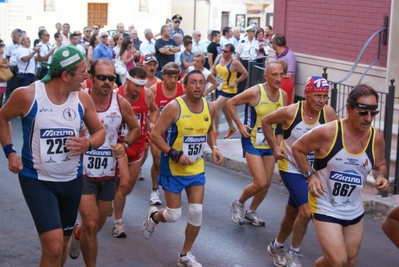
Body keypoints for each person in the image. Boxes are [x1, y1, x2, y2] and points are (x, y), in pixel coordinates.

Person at [0, 46, 106, 266]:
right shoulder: (28, 95)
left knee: (64, 244)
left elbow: (100, 132)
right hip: (37, 181)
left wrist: (89, 144)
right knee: (54, 245)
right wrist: (10, 151)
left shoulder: (82, 99)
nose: (86, 77)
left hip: (71, 180)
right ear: (66, 75)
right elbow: (2, 118)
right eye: (82, 72)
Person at [291, 84, 389, 267]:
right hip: (325, 204)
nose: (368, 119)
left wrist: (381, 177)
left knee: (350, 261)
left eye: (373, 113)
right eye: (363, 113)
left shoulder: (376, 138)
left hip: (353, 207)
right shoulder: (328, 132)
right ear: (349, 108)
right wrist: (310, 176)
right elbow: (297, 149)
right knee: (338, 261)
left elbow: (380, 164)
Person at [141, 69, 223, 267]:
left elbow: (210, 130)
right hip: (173, 168)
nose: (197, 86)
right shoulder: (174, 107)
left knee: (196, 212)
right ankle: (154, 216)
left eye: (201, 82)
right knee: (174, 215)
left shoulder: (209, 107)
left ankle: (185, 255)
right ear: (184, 86)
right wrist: (174, 154)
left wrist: (214, 147)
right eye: (193, 82)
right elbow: (155, 136)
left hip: (196, 168)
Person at [67, 58, 140, 266]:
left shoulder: (120, 102)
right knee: (90, 222)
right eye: (102, 77)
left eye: (111, 78)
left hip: (108, 173)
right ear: (90, 77)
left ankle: (78, 233)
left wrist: (124, 145)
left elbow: (135, 128)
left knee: (97, 224)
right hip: (82, 171)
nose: (107, 82)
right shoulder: (78, 99)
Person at [262, 76, 337, 267]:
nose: (321, 100)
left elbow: (337, 138)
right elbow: (266, 121)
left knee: (291, 213)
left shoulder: (328, 113)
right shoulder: (291, 112)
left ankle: (276, 245)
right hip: (291, 167)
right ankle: (293, 253)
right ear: (306, 94)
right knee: (306, 211)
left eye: (325, 96)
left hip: (314, 170)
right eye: (317, 96)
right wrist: (274, 147)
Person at [226, 61, 286, 227]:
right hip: (252, 140)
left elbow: (280, 124)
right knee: (259, 181)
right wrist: (239, 125)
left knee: (266, 183)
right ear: (266, 76)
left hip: (270, 143)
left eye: (281, 74)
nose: (278, 78)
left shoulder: (283, 96)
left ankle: (251, 211)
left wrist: (278, 146)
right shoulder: (255, 92)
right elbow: (230, 103)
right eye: (274, 74)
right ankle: (238, 203)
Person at [112, 66, 158, 238]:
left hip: (138, 144)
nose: (138, 90)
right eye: (135, 85)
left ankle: (113, 199)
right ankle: (118, 223)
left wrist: (151, 122)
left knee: (128, 187)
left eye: (141, 86)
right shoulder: (116, 95)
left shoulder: (147, 94)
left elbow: (153, 109)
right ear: (127, 81)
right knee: (123, 184)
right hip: (119, 145)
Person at [149, 62, 184, 205]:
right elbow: (147, 110)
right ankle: (154, 189)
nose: (172, 81)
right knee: (157, 160)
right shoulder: (153, 90)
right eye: (169, 77)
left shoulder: (183, 89)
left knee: (175, 161)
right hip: (159, 132)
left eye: (176, 77)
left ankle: (173, 187)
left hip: (176, 133)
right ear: (163, 76)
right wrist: (150, 123)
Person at [211, 43, 248, 139]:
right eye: (222, 50)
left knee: (215, 108)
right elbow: (213, 69)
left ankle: (216, 131)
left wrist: (235, 81)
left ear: (231, 53)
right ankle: (232, 128)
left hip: (228, 89)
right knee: (225, 109)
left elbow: (245, 74)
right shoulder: (219, 57)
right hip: (219, 87)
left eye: (226, 51)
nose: (223, 53)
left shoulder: (234, 62)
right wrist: (209, 75)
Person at [235, 25, 259, 93]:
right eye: (252, 31)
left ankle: (250, 94)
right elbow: (238, 54)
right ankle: (239, 94)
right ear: (248, 32)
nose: (254, 33)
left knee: (252, 79)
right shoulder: (242, 41)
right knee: (242, 80)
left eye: (254, 31)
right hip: (244, 61)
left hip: (253, 61)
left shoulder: (255, 41)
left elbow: (256, 51)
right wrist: (238, 65)